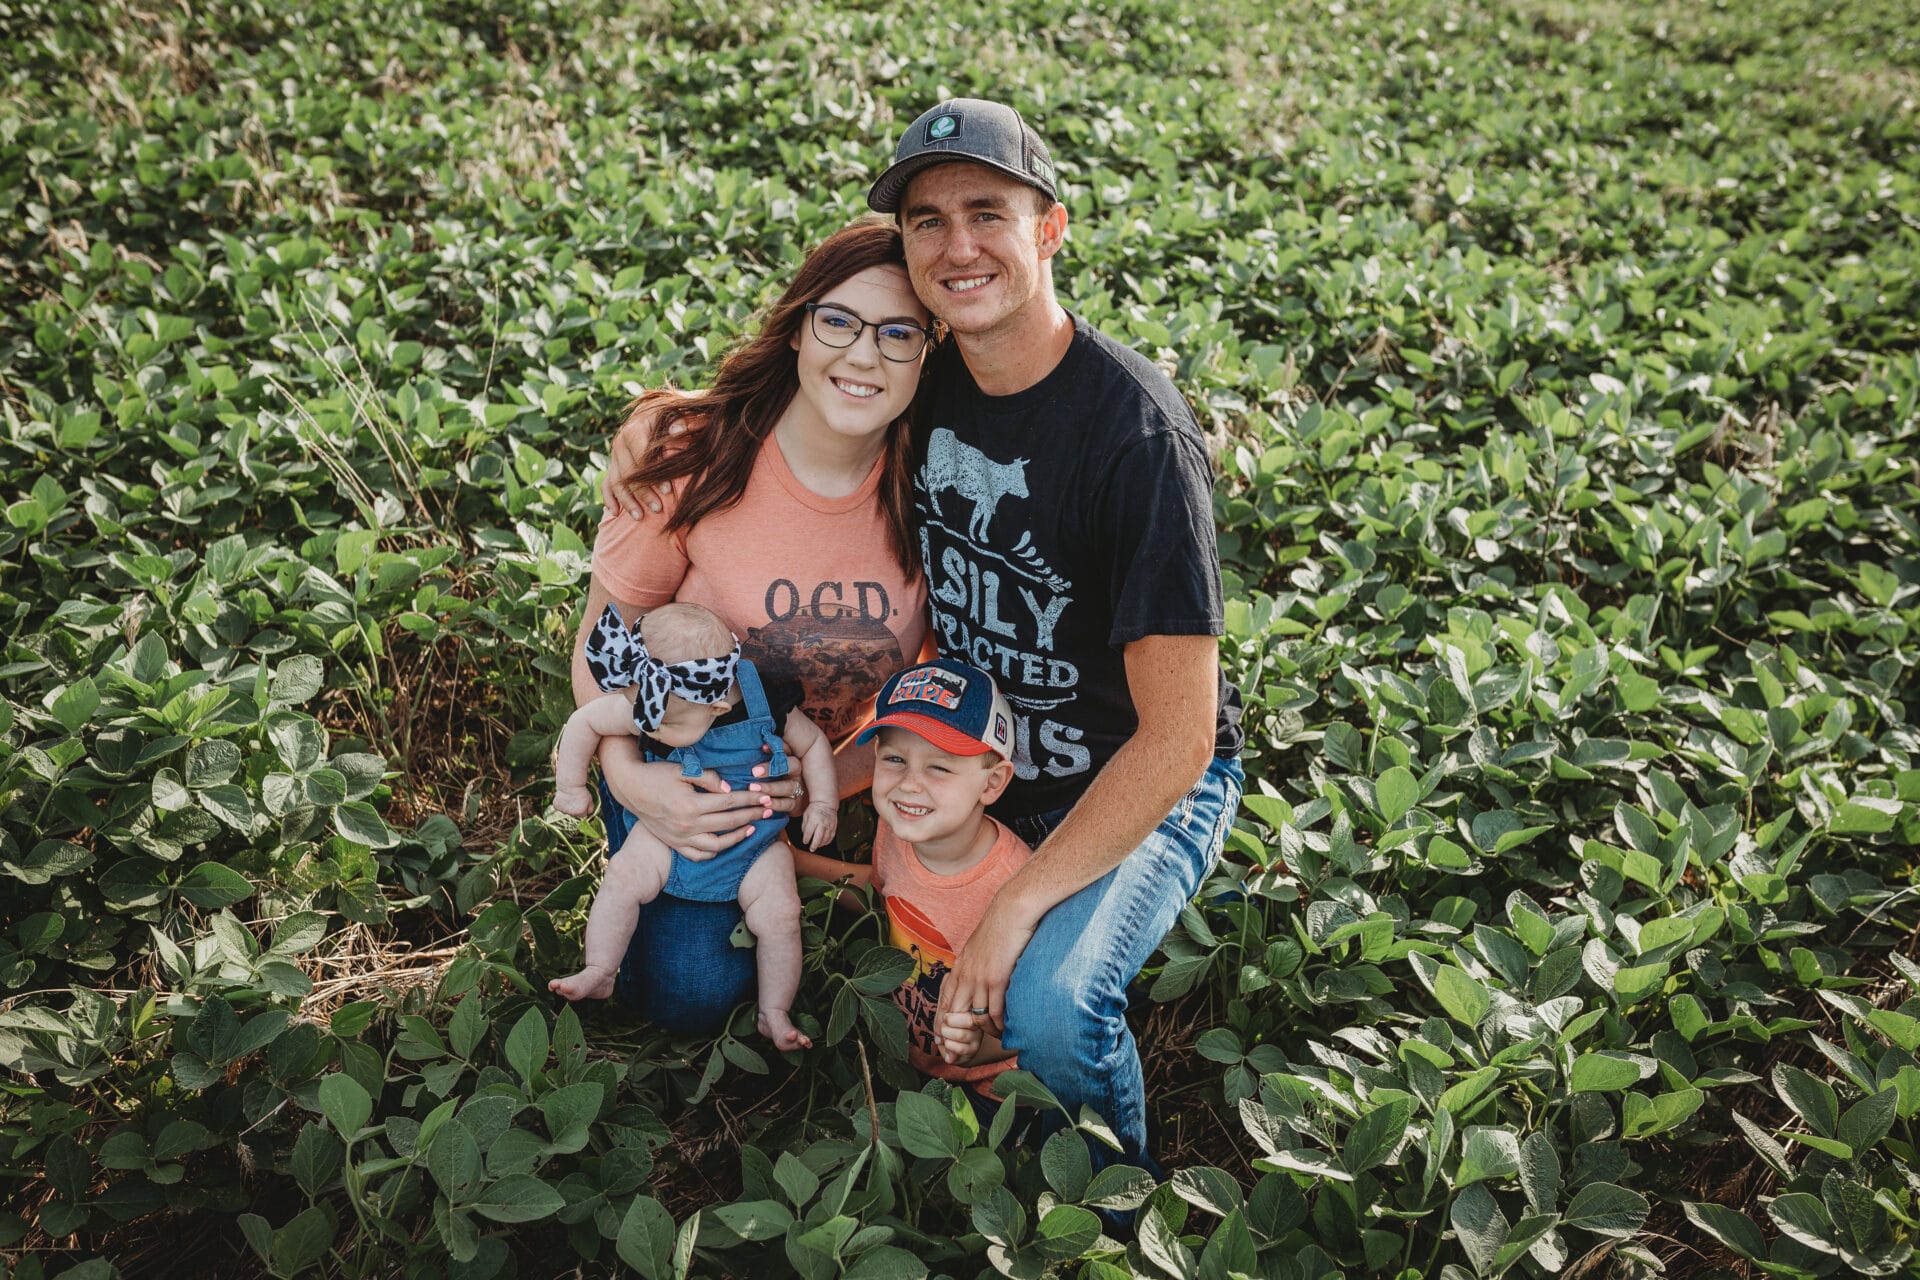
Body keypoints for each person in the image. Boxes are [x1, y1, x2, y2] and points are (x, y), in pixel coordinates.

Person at [868, 98, 1247, 1170]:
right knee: (910, 997)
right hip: (983, 756)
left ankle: (1111, 1207)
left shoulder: (1135, 437)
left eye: (987, 211)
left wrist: (1019, 903)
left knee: (1048, 1004)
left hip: (1135, 772)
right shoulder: (927, 382)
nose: (956, 245)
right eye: (926, 221)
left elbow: (1176, 740)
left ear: (1051, 227)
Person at [580, 219, 934, 1034]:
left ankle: (805, 862)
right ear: (799, 324)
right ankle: (804, 871)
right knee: (691, 997)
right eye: (838, 320)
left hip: (826, 773)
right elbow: (607, 649)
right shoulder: (690, 454)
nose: (862, 355)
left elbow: (928, 683)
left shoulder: (935, 484)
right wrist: (632, 779)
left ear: (929, 352)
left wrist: (822, 787)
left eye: (899, 333)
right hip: (681, 769)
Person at [549, 602, 839, 1050]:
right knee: (624, 876)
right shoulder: (654, 697)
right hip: (665, 832)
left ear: (718, 704)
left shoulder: (765, 698)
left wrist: (821, 803)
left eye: (663, 725)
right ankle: (600, 970)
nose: (649, 729)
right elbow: (585, 720)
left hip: (755, 841)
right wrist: (570, 787)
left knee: (781, 913)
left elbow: (814, 743)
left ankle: (774, 1010)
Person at [812, 658, 1032, 1092]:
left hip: (988, 1090)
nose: (909, 784)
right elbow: (883, 893)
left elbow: (1036, 1022)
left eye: (940, 767)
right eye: (894, 758)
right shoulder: (898, 830)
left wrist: (978, 1050)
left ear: (993, 783)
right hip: (907, 1059)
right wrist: (794, 865)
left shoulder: (1014, 883)